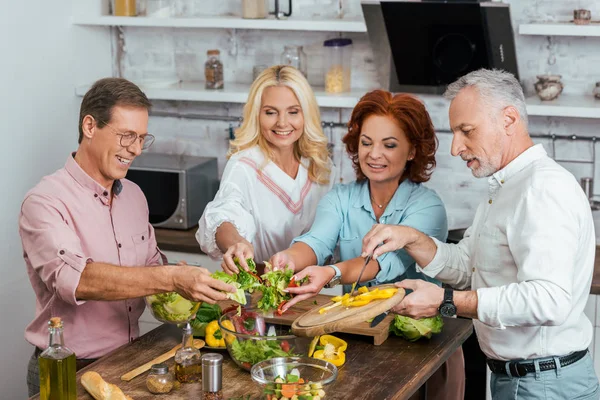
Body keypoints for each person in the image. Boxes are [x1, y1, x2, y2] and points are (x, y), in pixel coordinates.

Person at [361, 69, 599, 400]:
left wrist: (445, 302)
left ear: (509, 120)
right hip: (524, 381)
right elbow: (465, 265)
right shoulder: (504, 188)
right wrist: (411, 238)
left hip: (544, 386)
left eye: (466, 131)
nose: (456, 147)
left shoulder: (542, 188)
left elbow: (549, 300)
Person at [20, 78, 234, 397]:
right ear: (90, 126)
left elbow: (152, 275)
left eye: (141, 139)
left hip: (132, 360)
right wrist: (173, 278)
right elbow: (77, 281)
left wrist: (203, 292)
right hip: (68, 367)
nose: (134, 149)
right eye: (126, 136)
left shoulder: (134, 195)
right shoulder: (44, 202)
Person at [270, 90, 465, 400]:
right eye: (366, 142)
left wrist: (331, 272)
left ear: (412, 151)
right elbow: (315, 242)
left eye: (389, 145)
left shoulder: (428, 207)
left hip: (422, 348)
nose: (374, 154)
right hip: (360, 342)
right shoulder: (340, 199)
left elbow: (383, 262)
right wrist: (288, 259)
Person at [197, 65, 336, 273]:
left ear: (306, 114)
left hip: (316, 284)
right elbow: (224, 212)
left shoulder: (321, 165)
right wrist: (237, 244)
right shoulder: (243, 165)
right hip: (261, 288)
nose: (282, 123)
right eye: (270, 112)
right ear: (257, 115)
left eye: (293, 112)